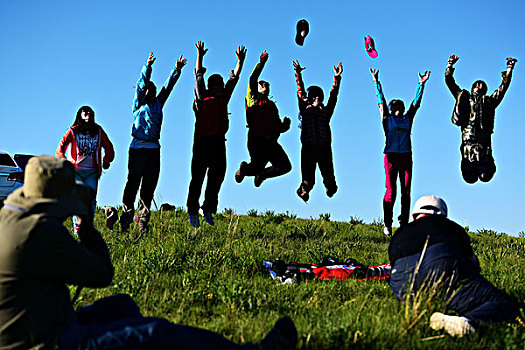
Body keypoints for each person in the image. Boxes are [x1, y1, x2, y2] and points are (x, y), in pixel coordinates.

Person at [0, 155, 298, 349]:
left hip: (36, 325)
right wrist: (87, 226)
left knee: (122, 306)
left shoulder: (11, 218)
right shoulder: (39, 232)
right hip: (47, 341)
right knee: (156, 332)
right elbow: (102, 273)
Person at [388, 195, 520, 338]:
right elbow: (472, 263)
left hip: (404, 290)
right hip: (440, 267)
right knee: (506, 304)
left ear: (414, 216)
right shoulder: (451, 227)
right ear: (443, 215)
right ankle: (468, 321)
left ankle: (431, 312)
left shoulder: (399, 233)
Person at [120, 52, 187, 233]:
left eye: (154, 90)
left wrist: (176, 70)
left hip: (153, 150)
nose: (152, 92)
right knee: (132, 183)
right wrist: (147, 67)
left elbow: (168, 87)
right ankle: (126, 216)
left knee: (149, 186)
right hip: (137, 149)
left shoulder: (159, 103)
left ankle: (143, 220)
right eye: (149, 90)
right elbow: (141, 85)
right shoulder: (138, 104)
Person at [187, 41, 246, 228]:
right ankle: (192, 209)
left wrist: (240, 61)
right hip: (202, 142)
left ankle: (208, 207)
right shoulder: (202, 96)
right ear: (211, 86)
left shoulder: (223, 98)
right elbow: (198, 76)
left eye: (221, 84)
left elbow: (234, 79)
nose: (221, 86)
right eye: (217, 84)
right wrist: (200, 56)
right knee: (197, 177)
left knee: (217, 175)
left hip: (219, 142)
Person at [369, 68, 430, 235]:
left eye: (400, 105)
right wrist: (376, 82)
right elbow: (380, 102)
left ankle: (404, 224)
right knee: (391, 191)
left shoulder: (407, 119)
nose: (398, 107)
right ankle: (387, 224)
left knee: (406, 191)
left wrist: (421, 85)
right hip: (390, 157)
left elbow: (415, 105)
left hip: (405, 157)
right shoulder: (386, 119)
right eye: (395, 105)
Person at [445, 55, 517, 184]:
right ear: (473, 87)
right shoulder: (464, 97)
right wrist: (450, 65)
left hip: (484, 145)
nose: (479, 85)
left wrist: (509, 69)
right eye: (477, 84)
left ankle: (487, 166)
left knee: (485, 176)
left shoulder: (489, 102)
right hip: (468, 143)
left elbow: (503, 88)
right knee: (470, 178)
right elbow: (450, 82)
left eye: (482, 84)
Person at [235, 51, 292, 187]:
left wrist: (285, 125)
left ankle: (261, 174)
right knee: (256, 167)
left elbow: (278, 127)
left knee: (285, 166)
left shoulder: (272, 106)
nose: (265, 85)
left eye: (267, 84)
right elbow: (252, 78)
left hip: (271, 142)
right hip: (257, 140)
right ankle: (244, 169)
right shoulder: (253, 98)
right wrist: (262, 62)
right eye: (262, 84)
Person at [56, 105, 114, 231]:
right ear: (79, 115)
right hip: (76, 172)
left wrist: (107, 160)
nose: (87, 113)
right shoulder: (73, 131)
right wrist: (63, 161)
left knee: (91, 201)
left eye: (90, 111)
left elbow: (108, 145)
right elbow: (60, 148)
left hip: (92, 172)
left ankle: (87, 227)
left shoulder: (98, 130)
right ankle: (78, 228)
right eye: (84, 111)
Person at [293, 60, 342, 202]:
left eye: (319, 97)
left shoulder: (326, 112)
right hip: (308, 148)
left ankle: (330, 189)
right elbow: (300, 91)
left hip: (324, 148)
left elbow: (334, 96)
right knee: (308, 181)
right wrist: (298, 74)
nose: (317, 100)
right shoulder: (305, 110)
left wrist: (337, 78)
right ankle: (303, 191)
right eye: (314, 97)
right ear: (309, 98)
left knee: (330, 180)